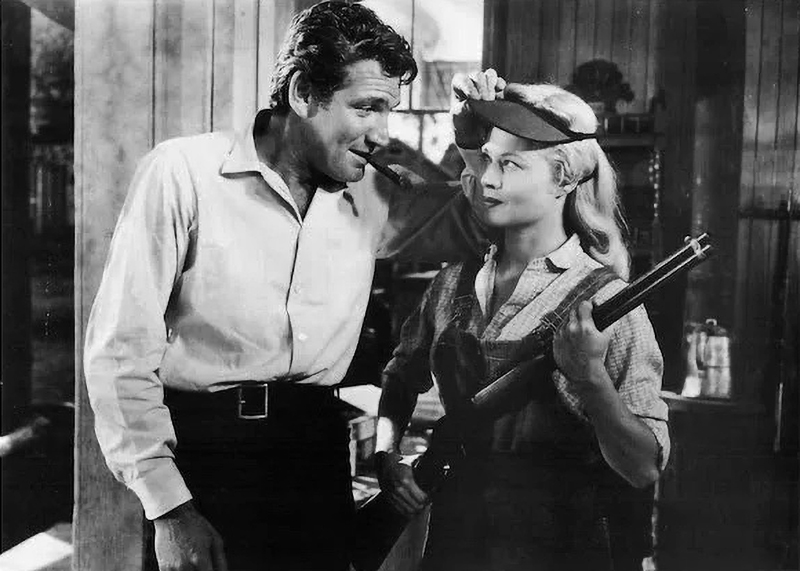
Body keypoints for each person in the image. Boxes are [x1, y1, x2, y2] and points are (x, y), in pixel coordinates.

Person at [83, 3, 488, 570]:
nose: (381, 133)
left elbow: (486, 225)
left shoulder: (375, 192)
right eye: (366, 107)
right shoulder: (183, 173)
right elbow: (121, 353)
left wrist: (471, 144)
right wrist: (170, 510)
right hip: (204, 459)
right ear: (302, 93)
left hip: (315, 458)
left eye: (389, 110)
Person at [374, 70, 671, 571]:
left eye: (510, 165)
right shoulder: (451, 283)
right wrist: (387, 457)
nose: (486, 179)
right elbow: (401, 376)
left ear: (564, 178)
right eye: (487, 160)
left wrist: (591, 380)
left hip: (558, 551)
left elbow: (643, 468)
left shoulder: (608, 303)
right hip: (454, 546)